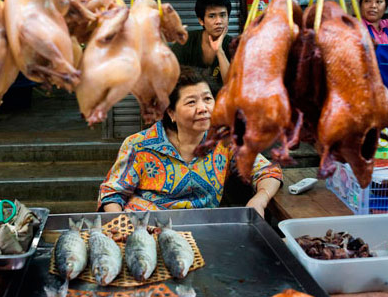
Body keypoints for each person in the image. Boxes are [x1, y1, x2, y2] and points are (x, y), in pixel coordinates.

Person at [97, 67, 283, 219]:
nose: (203, 109)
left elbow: (268, 171)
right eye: (191, 102)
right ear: (171, 113)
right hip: (145, 232)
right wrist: (123, 226)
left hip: (204, 231)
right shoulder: (138, 145)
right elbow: (111, 193)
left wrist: (260, 199)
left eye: (207, 99)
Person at [170, 0, 233, 95]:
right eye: (212, 16)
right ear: (201, 21)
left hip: (222, 105)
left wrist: (219, 51)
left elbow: (231, 86)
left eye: (223, 15)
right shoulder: (185, 43)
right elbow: (171, 82)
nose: (219, 21)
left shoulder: (233, 45)